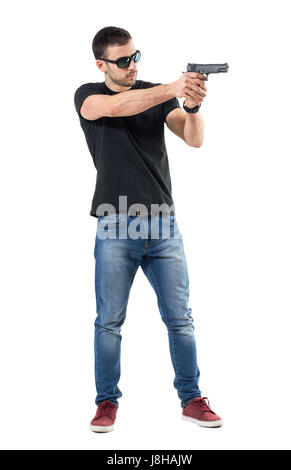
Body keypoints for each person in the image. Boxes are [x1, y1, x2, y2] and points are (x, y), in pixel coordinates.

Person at [74, 26, 223, 432]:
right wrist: (175, 86)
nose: (131, 65)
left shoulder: (158, 93)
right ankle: (106, 404)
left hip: (163, 224)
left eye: (135, 56)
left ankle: (191, 399)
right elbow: (119, 107)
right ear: (101, 64)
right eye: (122, 61)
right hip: (115, 223)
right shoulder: (88, 95)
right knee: (109, 321)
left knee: (181, 319)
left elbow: (193, 140)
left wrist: (191, 106)